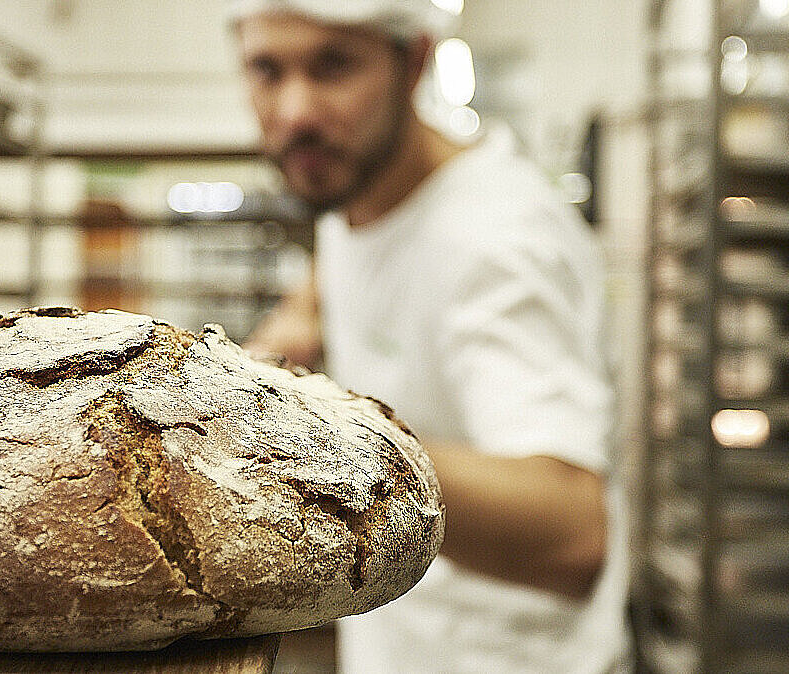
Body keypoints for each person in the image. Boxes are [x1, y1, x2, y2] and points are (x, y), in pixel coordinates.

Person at [225, 1, 630, 671]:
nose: (295, 110)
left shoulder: (498, 242)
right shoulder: (358, 189)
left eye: (334, 65)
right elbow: (355, 260)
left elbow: (572, 535)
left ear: (415, 62)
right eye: (267, 69)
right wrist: (296, 322)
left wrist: (315, 436)